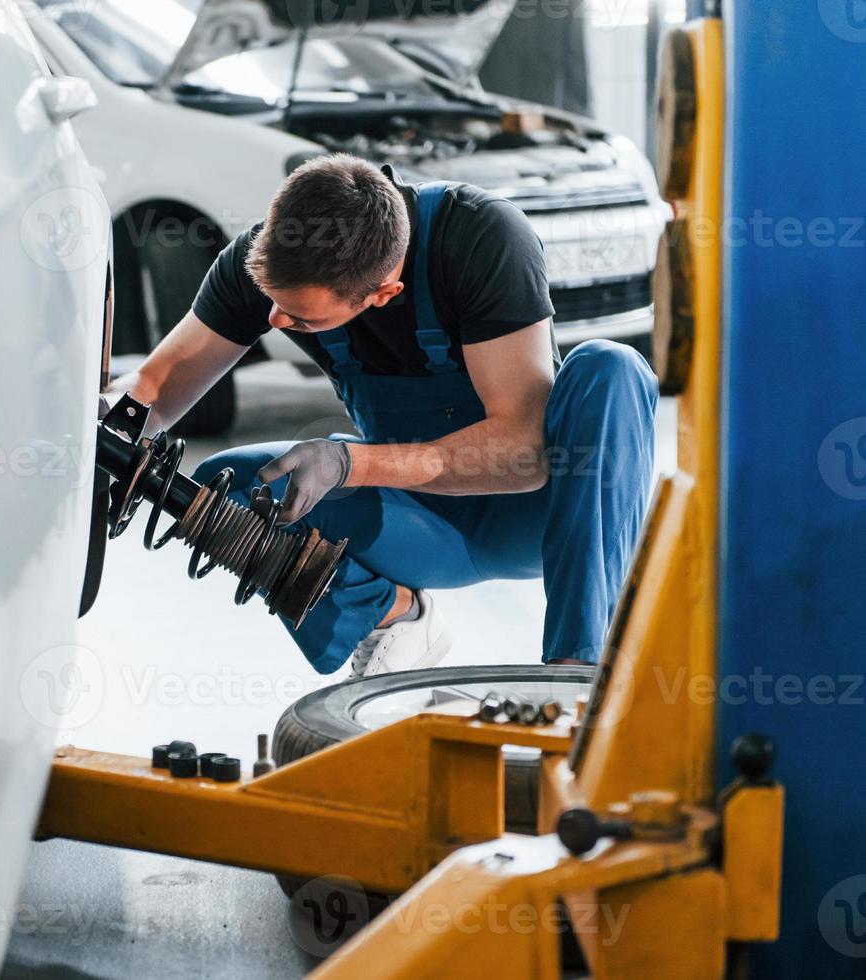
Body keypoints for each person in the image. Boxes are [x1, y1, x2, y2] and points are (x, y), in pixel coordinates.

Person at [108, 155, 658, 676]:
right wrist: (103, 417)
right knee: (221, 490)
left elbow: (523, 453)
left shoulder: (480, 238)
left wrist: (349, 463)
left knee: (611, 368)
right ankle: (394, 615)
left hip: (541, 519)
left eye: (299, 318)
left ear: (383, 292)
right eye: (272, 302)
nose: (274, 320)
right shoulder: (275, 261)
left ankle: (577, 665)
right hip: (422, 525)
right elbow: (156, 384)